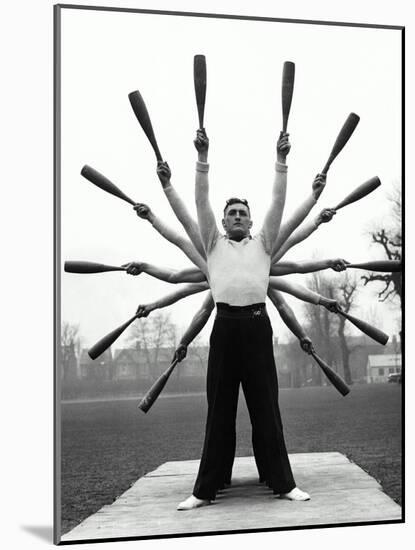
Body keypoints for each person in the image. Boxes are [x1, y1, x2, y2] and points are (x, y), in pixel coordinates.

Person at [176, 128, 311, 511]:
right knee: (219, 411)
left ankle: (284, 483)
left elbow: (278, 202)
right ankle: (204, 491)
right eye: (231, 213)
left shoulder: (265, 243)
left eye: (243, 214)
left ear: (251, 223)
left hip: (257, 327)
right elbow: (199, 199)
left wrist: (281, 161)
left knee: (266, 408)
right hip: (224, 329)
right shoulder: (212, 243)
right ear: (222, 220)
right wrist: (203, 157)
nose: (237, 217)